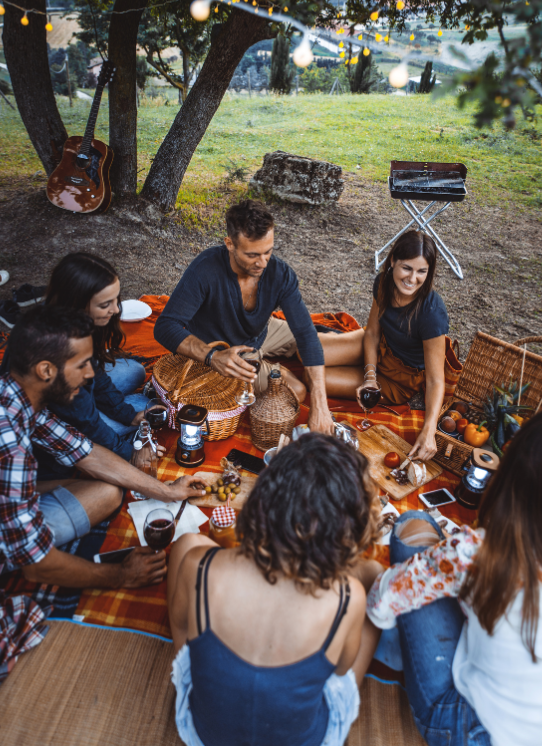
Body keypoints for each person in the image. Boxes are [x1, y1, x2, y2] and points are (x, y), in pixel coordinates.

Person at [366, 409, 542, 746]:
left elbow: (381, 603)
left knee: (412, 525)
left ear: (511, 471)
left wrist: (440, 567)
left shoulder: (477, 551)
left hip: (469, 731)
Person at [0, 305, 202, 677]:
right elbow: (36, 564)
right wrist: (121, 576)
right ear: (46, 370)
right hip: (16, 545)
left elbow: (88, 454)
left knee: (110, 489)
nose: (92, 373)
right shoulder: (9, 440)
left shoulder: (20, 397)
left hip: (16, 494)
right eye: (83, 364)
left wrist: (167, 491)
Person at [167, 433, 383, 746]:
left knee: (186, 543)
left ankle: (199, 682)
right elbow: (339, 671)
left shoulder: (199, 566)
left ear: (261, 499)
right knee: (377, 580)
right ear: (346, 528)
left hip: (205, 734)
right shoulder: (347, 597)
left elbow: (182, 625)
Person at [154, 200, 333, 434]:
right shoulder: (206, 269)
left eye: (268, 252)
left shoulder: (280, 273)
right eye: (252, 255)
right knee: (297, 391)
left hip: (261, 331)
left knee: (320, 338)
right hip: (226, 351)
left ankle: (377, 351)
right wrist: (212, 356)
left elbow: (306, 335)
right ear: (230, 244)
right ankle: (274, 368)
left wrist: (321, 404)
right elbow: (166, 326)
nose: (263, 262)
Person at [1, 253, 154, 475]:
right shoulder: (56, 350)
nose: (117, 310)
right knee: (142, 406)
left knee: (135, 373)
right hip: (64, 414)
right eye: (105, 304)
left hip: (67, 407)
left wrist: (126, 414)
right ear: (79, 303)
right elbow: (85, 422)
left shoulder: (75, 327)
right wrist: (128, 454)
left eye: (116, 300)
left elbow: (96, 377)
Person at [319, 230, 461, 460]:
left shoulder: (432, 313)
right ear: (393, 260)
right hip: (376, 347)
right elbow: (373, 333)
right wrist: (369, 376)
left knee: (313, 377)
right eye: (407, 268)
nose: (412, 279)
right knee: (307, 352)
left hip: (398, 378)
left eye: (421, 271)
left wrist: (429, 430)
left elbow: (435, 380)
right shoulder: (384, 282)